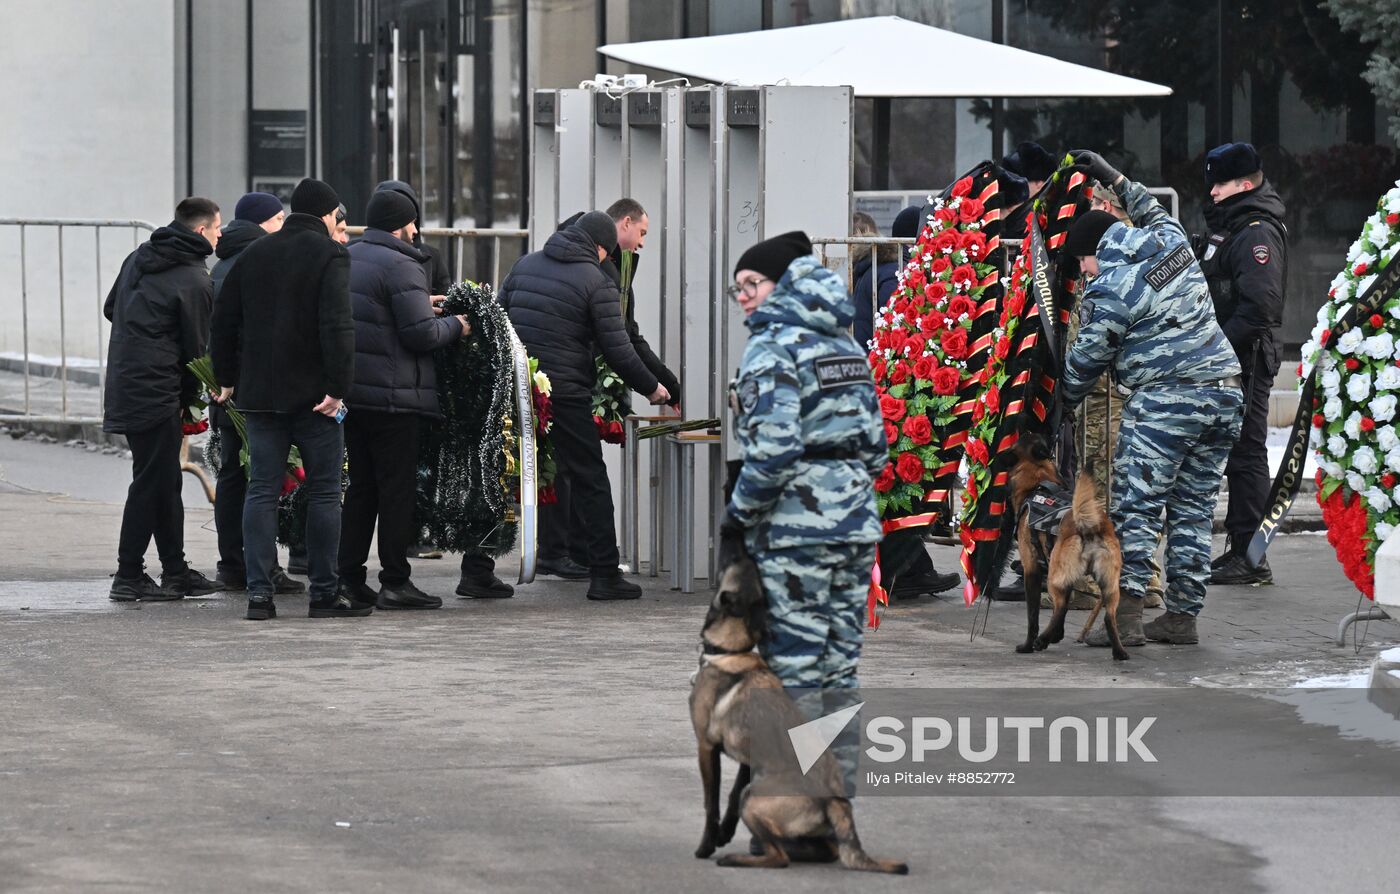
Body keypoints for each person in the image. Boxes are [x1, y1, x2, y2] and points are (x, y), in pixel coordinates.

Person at [721, 230, 885, 790]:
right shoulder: (846, 345)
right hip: (856, 527)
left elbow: (772, 452)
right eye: (736, 288)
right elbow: (877, 447)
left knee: (793, 671)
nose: (742, 296)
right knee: (839, 670)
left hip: (796, 533)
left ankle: (796, 806)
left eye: (751, 285)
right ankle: (836, 799)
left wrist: (738, 516)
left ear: (783, 285)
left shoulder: (772, 347)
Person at [1061, 151, 1243, 647]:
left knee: (1138, 506)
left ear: (1093, 250)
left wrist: (1058, 401)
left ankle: (1128, 616)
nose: (1083, 270)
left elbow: (1083, 364)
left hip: (1166, 402)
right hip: (1225, 393)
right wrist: (1112, 175)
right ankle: (1182, 618)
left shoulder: (1111, 288)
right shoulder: (1171, 241)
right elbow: (1146, 206)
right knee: (1193, 507)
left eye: (1081, 261)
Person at [210, 178, 365, 621]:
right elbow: (337, 326)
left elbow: (224, 320)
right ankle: (323, 594)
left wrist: (226, 378)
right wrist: (338, 389)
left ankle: (259, 596)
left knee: (260, 490)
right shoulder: (331, 255)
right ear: (325, 215)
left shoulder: (256, 252)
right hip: (315, 397)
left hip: (259, 396)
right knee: (323, 493)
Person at [503, 211, 670, 600]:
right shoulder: (595, 281)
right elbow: (618, 349)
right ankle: (604, 575)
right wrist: (653, 389)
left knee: (504, 472)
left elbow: (500, 317)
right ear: (600, 248)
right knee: (590, 478)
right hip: (564, 394)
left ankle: (476, 571)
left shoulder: (524, 264)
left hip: (519, 389)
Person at [337, 189, 470, 610]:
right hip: (396, 399)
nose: (416, 231)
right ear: (400, 224)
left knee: (360, 491)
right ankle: (395, 580)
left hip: (355, 394)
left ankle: (349, 579)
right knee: (396, 492)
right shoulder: (403, 263)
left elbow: (378, 312)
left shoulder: (350, 258)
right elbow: (420, 335)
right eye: (412, 222)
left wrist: (420, 305)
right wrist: (458, 325)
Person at [103, 197, 224, 601]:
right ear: (201, 231)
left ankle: (175, 570)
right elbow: (196, 349)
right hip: (156, 388)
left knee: (164, 479)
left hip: (128, 378)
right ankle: (128, 575)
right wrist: (196, 393)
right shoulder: (194, 279)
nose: (221, 235)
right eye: (218, 228)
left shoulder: (140, 257)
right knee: (151, 481)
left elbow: (110, 308)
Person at [1197, 143, 1288, 587]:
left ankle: (1252, 556)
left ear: (1245, 184)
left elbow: (1259, 307)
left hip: (1246, 356)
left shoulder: (1255, 231)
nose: (1211, 191)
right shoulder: (1234, 226)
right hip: (1233, 354)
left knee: (1248, 453)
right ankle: (1242, 549)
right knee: (1237, 452)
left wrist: (1215, 348)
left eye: (1220, 183)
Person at [207, 193, 304, 596]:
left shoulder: (221, 263)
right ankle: (261, 568)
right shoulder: (256, 263)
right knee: (260, 480)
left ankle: (232, 563)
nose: (283, 226)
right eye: (278, 219)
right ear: (262, 223)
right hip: (253, 388)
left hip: (227, 386)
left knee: (234, 475)